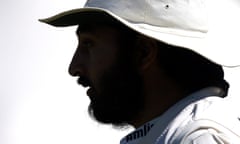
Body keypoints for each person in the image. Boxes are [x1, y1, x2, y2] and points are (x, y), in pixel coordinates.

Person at [40, 0, 240, 143]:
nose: (74, 68)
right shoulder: (173, 133)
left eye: (88, 44)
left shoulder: (200, 137)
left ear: (143, 53)